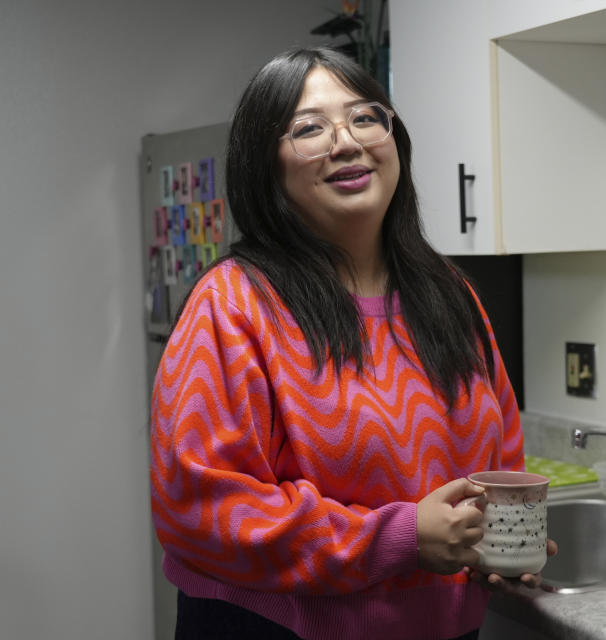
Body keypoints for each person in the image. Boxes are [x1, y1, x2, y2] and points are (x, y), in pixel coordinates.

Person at [150, 46, 556, 640]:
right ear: (265, 167)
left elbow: (502, 462)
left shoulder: (450, 296)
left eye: (365, 117)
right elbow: (202, 509)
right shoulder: (234, 304)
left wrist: (499, 542)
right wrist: (398, 538)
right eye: (309, 128)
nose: (347, 142)